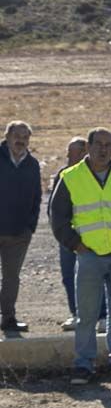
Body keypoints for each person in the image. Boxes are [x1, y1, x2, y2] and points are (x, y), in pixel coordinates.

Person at [50, 128, 111, 384]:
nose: (103, 150)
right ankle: (84, 364)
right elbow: (57, 216)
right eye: (99, 144)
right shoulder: (71, 177)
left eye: (108, 145)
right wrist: (76, 245)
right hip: (90, 256)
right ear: (89, 147)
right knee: (87, 315)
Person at [52, 137, 108, 332]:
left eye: (74, 153)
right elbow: (54, 209)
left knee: (97, 276)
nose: (69, 157)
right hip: (68, 236)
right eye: (68, 153)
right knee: (69, 276)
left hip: (92, 235)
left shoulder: (98, 174)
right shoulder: (62, 175)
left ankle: (102, 316)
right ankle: (76, 314)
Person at [0, 120, 40, 334]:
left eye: (26, 137)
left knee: (11, 277)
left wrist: (30, 226)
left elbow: (37, 197)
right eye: (17, 136)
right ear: (7, 137)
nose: (21, 141)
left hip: (18, 234)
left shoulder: (32, 164)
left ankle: (8, 318)